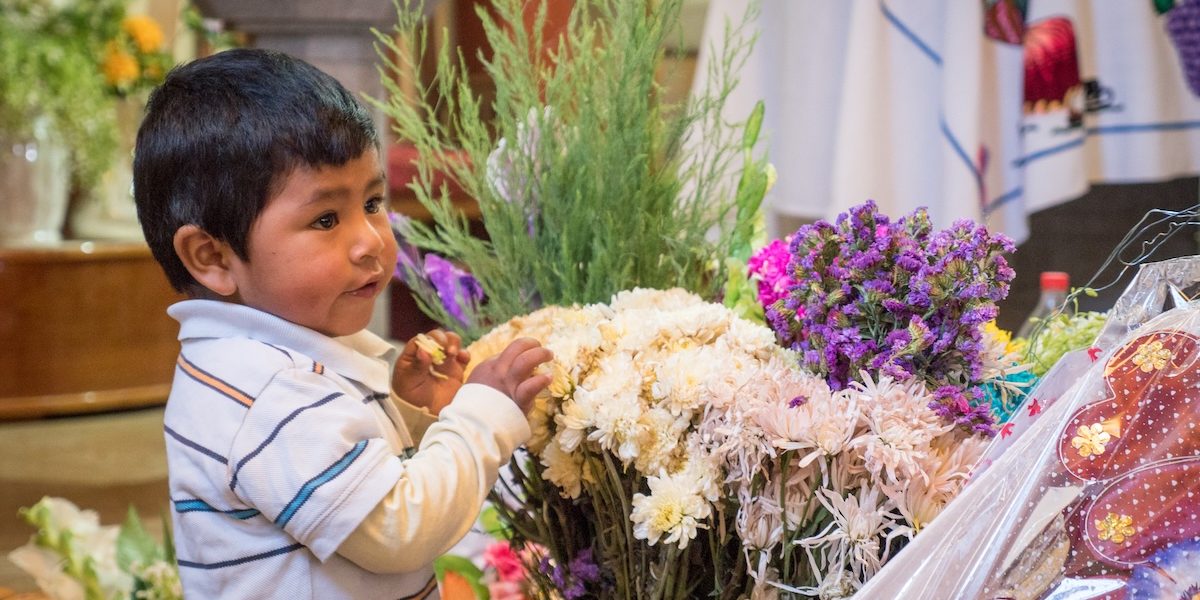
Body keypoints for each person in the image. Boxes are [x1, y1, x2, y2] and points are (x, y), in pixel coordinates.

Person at [133, 48, 552, 599]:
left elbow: (345, 482)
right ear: (212, 257)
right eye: (326, 218)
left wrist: (411, 413)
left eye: (374, 202)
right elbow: (401, 531)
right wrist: (481, 416)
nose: (371, 241)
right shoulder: (272, 393)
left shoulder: (261, 363)